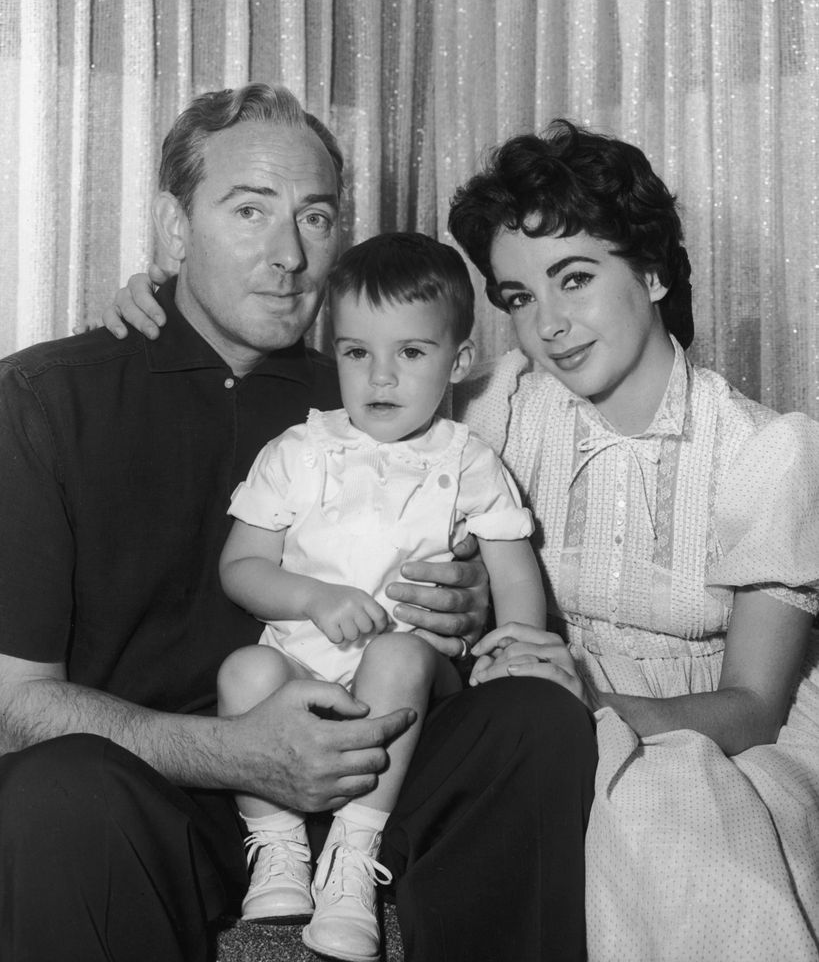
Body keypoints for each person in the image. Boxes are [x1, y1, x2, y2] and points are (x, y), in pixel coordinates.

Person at [0, 85, 596, 962]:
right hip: (158, 791)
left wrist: (465, 613)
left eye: (315, 218)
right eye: (249, 210)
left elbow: (463, 581)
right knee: (54, 791)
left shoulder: (366, 395)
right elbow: (15, 704)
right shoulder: (44, 401)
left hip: (374, 762)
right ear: (174, 228)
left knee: (534, 724)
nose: (287, 254)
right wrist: (238, 753)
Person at [445, 120, 819, 961]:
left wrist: (589, 708)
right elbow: (365, 378)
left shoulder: (762, 449)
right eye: (517, 298)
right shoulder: (498, 406)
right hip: (534, 726)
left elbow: (754, 707)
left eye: (572, 278)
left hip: (716, 739)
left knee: (668, 795)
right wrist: (162, 303)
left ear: (650, 270)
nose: (546, 324)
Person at [219, 231, 546, 961]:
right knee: (241, 672)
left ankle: (350, 861)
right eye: (357, 352)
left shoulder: (466, 458)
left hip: (411, 680)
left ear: (457, 361)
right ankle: (277, 849)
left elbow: (513, 569)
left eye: (411, 353)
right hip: (305, 665)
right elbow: (240, 565)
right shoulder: (298, 451)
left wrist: (515, 649)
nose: (381, 378)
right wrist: (310, 598)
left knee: (398, 650)